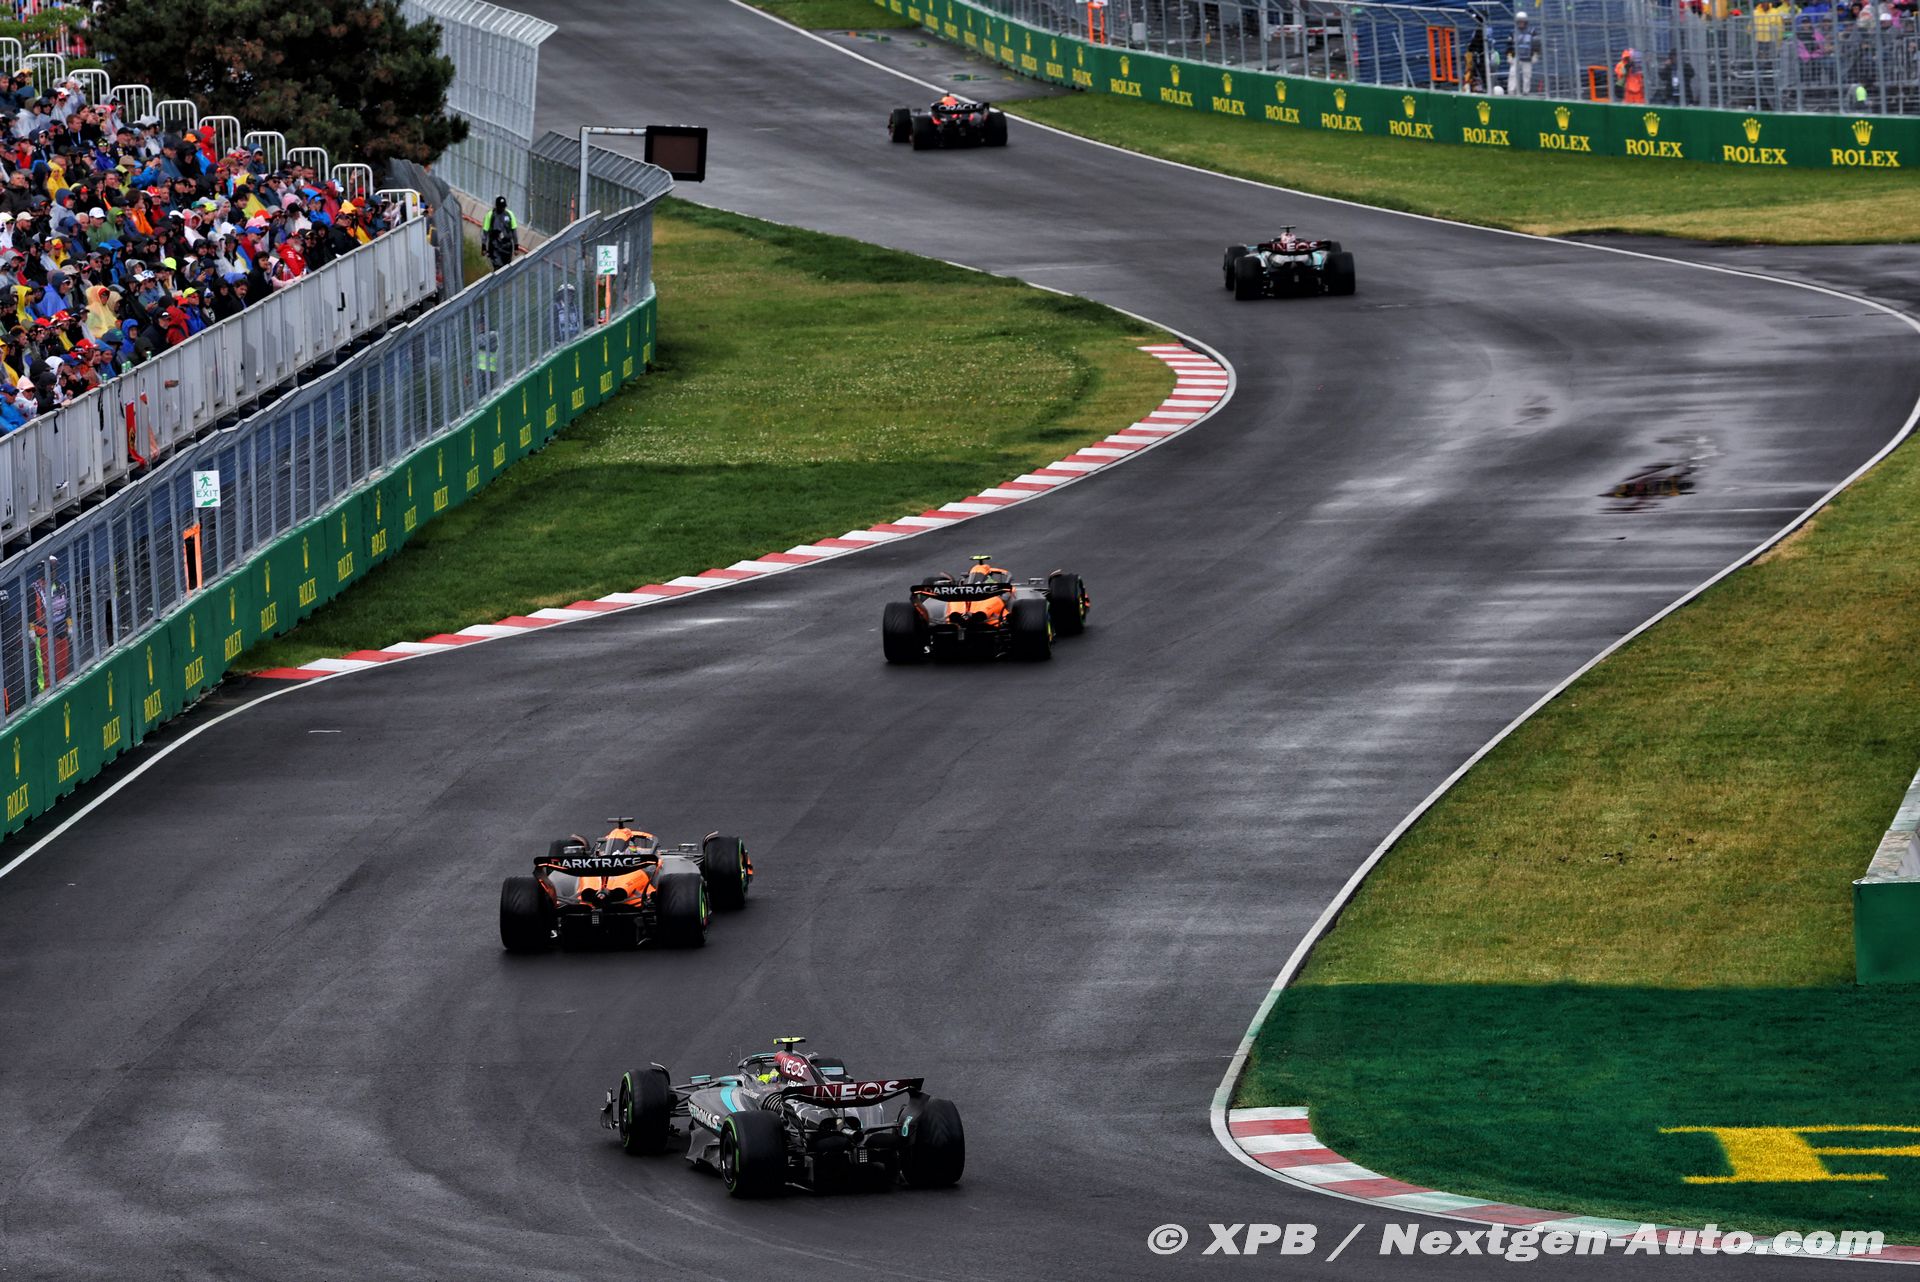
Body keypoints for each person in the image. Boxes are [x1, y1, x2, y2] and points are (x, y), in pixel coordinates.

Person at [1505, 12, 1540, 95]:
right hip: (1516, 58)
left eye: (1522, 21)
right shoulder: (1513, 32)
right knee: (1513, 74)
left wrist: (1535, 55)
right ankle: (1511, 92)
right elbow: (1509, 45)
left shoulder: (1532, 31)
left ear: (1525, 21)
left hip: (1528, 58)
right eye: (1519, 21)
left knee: (1527, 76)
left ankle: (1526, 92)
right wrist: (1509, 56)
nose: (1520, 23)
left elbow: (1537, 44)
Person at [483, 195, 517, 270]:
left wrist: (516, 246)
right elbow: (485, 231)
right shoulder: (490, 215)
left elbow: (514, 231)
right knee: (498, 268)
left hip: (507, 247)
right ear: (497, 206)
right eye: (500, 207)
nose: (502, 209)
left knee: (506, 268)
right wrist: (483, 246)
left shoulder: (510, 214)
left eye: (503, 207)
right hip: (495, 246)